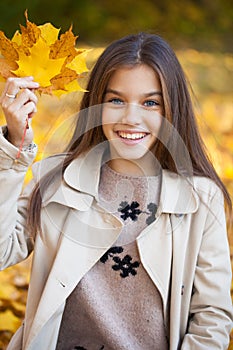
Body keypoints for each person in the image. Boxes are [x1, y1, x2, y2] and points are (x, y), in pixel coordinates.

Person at [0, 32, 232, 350]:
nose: (131, 118)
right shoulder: (56, 179)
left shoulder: (201, 201)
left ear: (171, 110)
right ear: (97, 104)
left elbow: (212, 318)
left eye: (150, 103)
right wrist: (13, 148)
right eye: (116, 100)